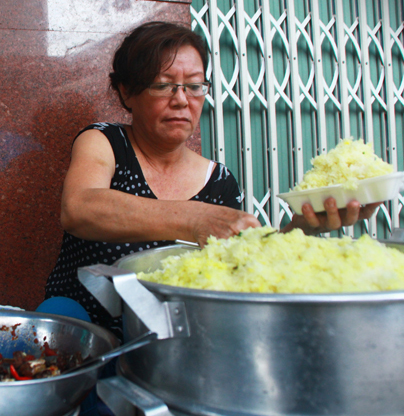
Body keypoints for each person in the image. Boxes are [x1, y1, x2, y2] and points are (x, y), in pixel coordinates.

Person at [43, 21, 380, 339]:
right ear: (127, 92)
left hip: (170, 332)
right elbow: (79, 208)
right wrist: (195, 218)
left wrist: (303, 229)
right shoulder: (105, 141)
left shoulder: (218, 180)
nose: (181, 100)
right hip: (86, 327)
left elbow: (239, 264)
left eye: (194, 86)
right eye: (163, 84)